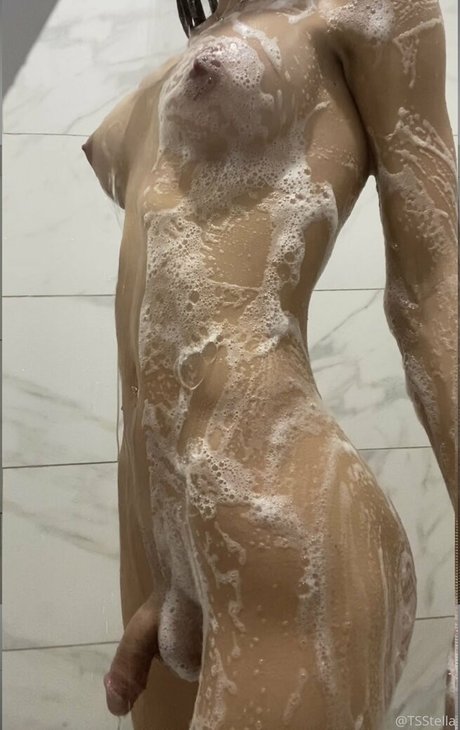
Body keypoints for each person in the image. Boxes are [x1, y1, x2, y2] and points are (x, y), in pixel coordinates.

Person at [82, 0, 457, 727]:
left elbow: (434, 285)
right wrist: (174, 564)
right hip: (167, 566)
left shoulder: (354, 10)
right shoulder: (166, 70)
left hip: (283, 531)